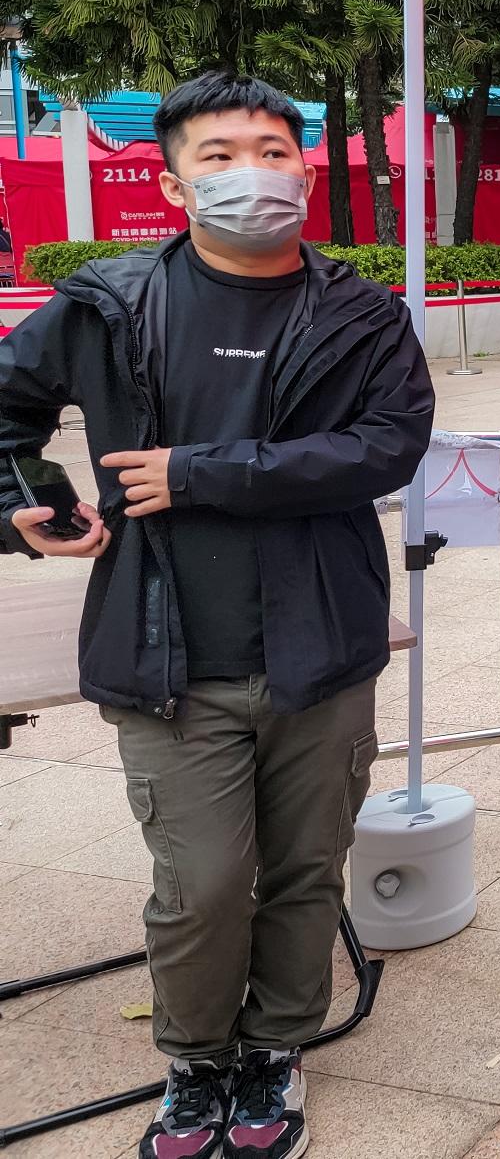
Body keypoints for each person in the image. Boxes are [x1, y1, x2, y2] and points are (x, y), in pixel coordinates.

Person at [0, 71, 434, 1159]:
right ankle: (196, 1060)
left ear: (307, 172)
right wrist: (28, 504)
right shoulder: (109, 306)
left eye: (273, 152)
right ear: (174, 183)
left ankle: (276, 1047)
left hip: (320, 648)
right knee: (198, 886)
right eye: (221, 156)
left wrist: (201, 472)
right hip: (165, 655)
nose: (253, 174)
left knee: (304, 872)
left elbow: (386, 446)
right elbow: (5, 410)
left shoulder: (362, 314)